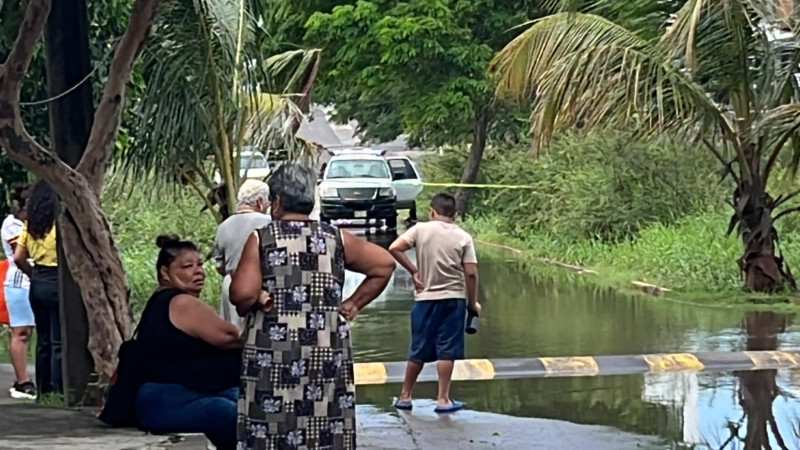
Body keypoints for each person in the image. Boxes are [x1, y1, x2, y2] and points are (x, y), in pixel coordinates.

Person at [230, 164, 395, 450]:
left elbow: (242, 294)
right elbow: (384, 265)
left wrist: (257, 298)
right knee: (324, 420)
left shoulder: (263, 238)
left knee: (271, 423)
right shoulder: (335, 238)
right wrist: (353, 303)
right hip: (325, 349)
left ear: (277, 203)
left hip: (274, 352)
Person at [135, 235, 243, 450]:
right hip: (168, 400)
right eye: (187, 266)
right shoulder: (181, 302)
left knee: (241, 399)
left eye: (200, 265)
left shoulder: (163, 300)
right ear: (165, 273)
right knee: (230, 412)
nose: (198, 271)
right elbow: (230, 337)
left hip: (180, 394)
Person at [388, 193, 481, 413]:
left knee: (418, 349)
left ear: (431, 212)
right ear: (455, 215)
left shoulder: (420, 229)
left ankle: (405, 396)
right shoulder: (463, 237)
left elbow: (394, 248)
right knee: (447, 350)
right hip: (454, 300)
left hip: (425, 299)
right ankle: (443, 399)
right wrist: (473, 303)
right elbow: (471, 273)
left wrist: (414, 271)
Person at [14, 180, 61, 396]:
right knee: (59, 341)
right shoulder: (60, 224)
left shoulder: (32, 223)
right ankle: (60, 389)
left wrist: (33, 275)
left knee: (43, 340)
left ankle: (44, 391)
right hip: (57, 279)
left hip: (38, 280)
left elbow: (18, 257)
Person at [213, 180, 272, 328]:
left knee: (234, 333)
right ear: (259, 201)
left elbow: (220, 267)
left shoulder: (223, 226)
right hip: (260, 289)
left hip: (231, 287)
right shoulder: (269, 223)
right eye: (267, 203)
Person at [1, 187, 36, 399]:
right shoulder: (11, 225)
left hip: (36, 280)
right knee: (21, 331)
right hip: (19, 282)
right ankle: (23, 381)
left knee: (36, 332)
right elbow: (23, 253)